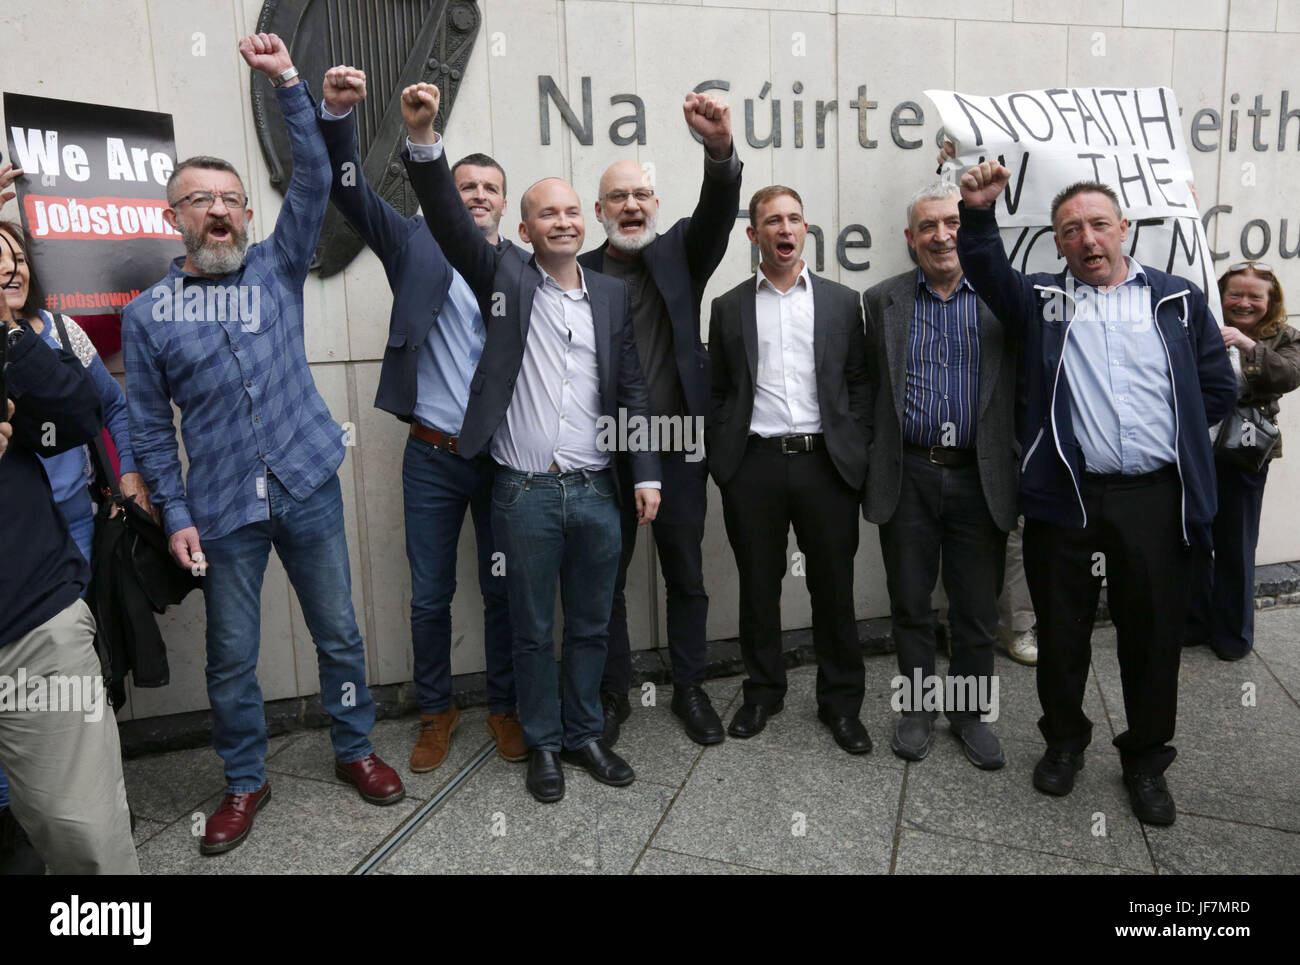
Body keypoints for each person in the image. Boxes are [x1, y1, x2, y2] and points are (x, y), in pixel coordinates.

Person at [123, 34, 404, 857]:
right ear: (173, 218)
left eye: (230, 198)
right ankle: (245, 778)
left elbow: (315, 175)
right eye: (198, 201)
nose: (217, 210)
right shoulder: (147, 318)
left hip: (307, 479)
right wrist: (173, 513)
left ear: (248, 211)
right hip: (219, 510)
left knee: (340, 632)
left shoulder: (279, 267)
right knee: (232, 656)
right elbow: (145, 428)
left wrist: (288, 82)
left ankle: (354, 745)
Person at [400, 82, 661, 804]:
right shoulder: (504, 280)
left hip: (597, 489)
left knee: (590, 623)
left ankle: (583, 733)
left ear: (589, 221)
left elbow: (633, 390)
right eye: (549, 212)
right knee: (529, 624)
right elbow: (453, 225)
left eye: (574, 211)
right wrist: (425, 142)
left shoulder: (608, 295)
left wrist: (647, 474)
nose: (565, 221)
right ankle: (542, 742)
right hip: (522, 492)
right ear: (525, 228)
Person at [956, 162, 1235, 825]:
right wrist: (976, 212)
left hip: (1153, 500)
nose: (1087, 239)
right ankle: (1064, 741)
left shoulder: (1178, 299)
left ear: (1124, 229)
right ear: (1057, 244)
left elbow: (1217, 388)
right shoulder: (1045, 300)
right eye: (1071, 230)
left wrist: (1188, 453)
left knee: (1152, 632)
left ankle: (1144, 757)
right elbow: (988, 269)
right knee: (1061, 632)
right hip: (1067, 496)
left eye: (1099, 225)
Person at [315, 66, 524, 772]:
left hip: (501, 456)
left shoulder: (523, 268)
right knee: (431, 594)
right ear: (446, 194)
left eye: (490, 189)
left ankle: (504, 703)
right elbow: (347, 190)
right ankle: (437, 710)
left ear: (505, 203)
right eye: (467, 188)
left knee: (503, 589)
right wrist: (338, 117)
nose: (479, 198)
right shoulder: (411, 242)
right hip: (432, 455)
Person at [577, 92, 742, 747]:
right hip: (606, 450)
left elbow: (720, 210)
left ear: (655, 203)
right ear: (599, 211)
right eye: (618, 197)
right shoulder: (575, 271)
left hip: (677, 446)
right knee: (605, 578)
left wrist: (720, 150)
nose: (632, 205)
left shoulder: (681, 256)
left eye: (642, 194)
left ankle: (691, 688)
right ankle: (614, 692)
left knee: (687, 574)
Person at [706, 186, 871, 754]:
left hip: (825, 466)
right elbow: (719, 388)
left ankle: (842, 704)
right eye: (772, 220)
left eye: (795, 219)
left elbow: (858, 383)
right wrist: (724, 460)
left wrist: (857, 449)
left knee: (834, 589)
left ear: (805, 230)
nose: (785, 228)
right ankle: (763, 692)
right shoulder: (728, 306)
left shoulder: (843, 303)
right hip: (753, 466)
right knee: (759, 586)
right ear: (753, 234)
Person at [862, 181, 1017, 768]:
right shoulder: (883, 301)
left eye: (951, 222)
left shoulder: (999, 298)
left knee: (976, 611)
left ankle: (969, 714)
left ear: (966, 228)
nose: (941, 235)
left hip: (980, 477)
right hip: (910, 476)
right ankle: (918, 708)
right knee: (910, 604)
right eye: (927, 226)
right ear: (910, 238)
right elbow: (870, 387)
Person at [0, 244, 139, 873]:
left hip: (33, 602)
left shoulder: (38, 336)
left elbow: (82, 411)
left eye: (16, 257)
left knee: (76, 825)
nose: (11, 271)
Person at [1187, 262, 1300, 659]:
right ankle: (1194, 623)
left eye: (1255, 296)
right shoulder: (1198, 323)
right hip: (1195, 448)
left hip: (1246, 453)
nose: (1244, 302)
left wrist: (1248, 346)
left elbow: (1288, 374)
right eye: (1235, 294)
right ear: (1220, 295)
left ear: (1270, 302)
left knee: (1236, 543)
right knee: (1193, 537)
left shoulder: (1285, 336)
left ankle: (1233, 636)